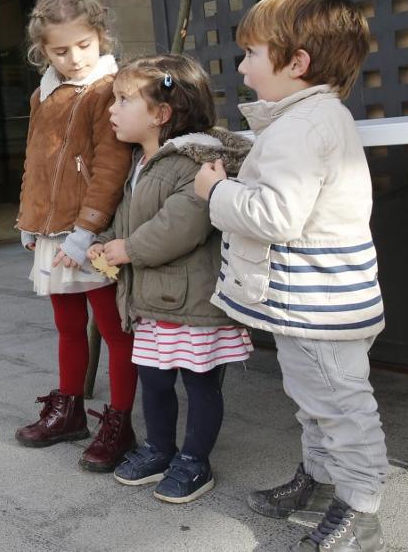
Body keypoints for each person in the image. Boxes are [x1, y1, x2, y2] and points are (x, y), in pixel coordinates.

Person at [193, 0, 385, 550]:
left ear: (296, 62)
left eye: (251, 54)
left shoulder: (302, 127)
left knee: (340, 407)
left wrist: (216, 190)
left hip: (318, 305)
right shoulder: (308, 119)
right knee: (316, 401)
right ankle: (321, 483)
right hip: (315, 301)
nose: (243, 68)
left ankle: (360, 509)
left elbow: (276, 215)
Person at [88, 54, 252, 504]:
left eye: (123, 100)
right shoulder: (141, 162)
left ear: (161, 114)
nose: (112, 109)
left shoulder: (195, 161)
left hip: (193, 302)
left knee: (200, 383)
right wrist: (105, 241)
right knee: (155, 380)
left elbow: (183, 224)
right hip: (152, 302)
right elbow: (128, 216)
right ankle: (159, 448)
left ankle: (195, 460)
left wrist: (129, 249)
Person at [13, 0, 135, 472]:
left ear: (101, 35)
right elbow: (36, 160)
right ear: (42, 51)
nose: (75, 58)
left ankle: (120, 422)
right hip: (53, 230)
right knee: (67, 325)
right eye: (60, 50)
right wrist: (30, 219)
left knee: (114, 329)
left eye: (84, 45)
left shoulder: (111, 89)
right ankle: (68, 411)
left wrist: (86, 232)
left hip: (93, 233)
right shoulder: (42, 93)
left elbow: (110, 168)